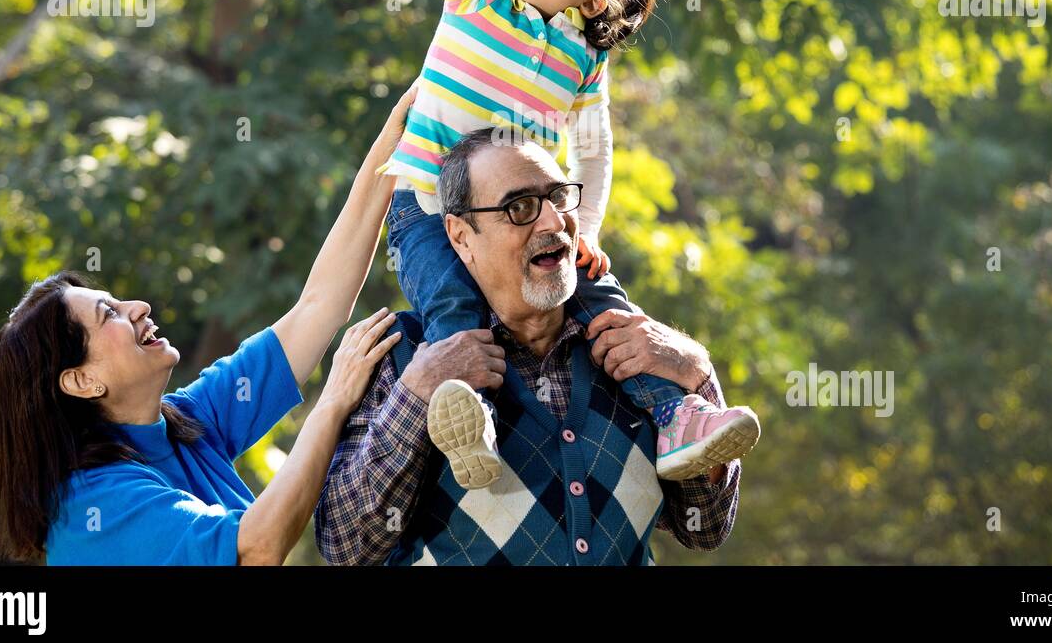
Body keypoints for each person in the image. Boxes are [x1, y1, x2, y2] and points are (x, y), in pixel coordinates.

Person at [364, 0, 759, 488]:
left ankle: (677, 419)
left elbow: (595, 153)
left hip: (534, 223)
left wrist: (588, 232)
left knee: (606, 309)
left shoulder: (582, 57)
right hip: (429, 209)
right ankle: (472, 425)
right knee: (453, 311)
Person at [0, 86, 415, 565]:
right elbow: (257, 548)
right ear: (82, 380)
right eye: (108, 313)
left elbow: (320, 306)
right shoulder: (94, 505)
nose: (138, 307)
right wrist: (333, 402)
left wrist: (396, 140)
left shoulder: (188, 420)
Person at [315, 129, 751, 565]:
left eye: (558, 198)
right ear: (461, 236)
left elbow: (705, 525)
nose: (552, 223)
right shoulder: (404, 357)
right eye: (519, 207)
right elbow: (345, 547)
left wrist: (697, 373)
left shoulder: (634, 349)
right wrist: (415, 397)